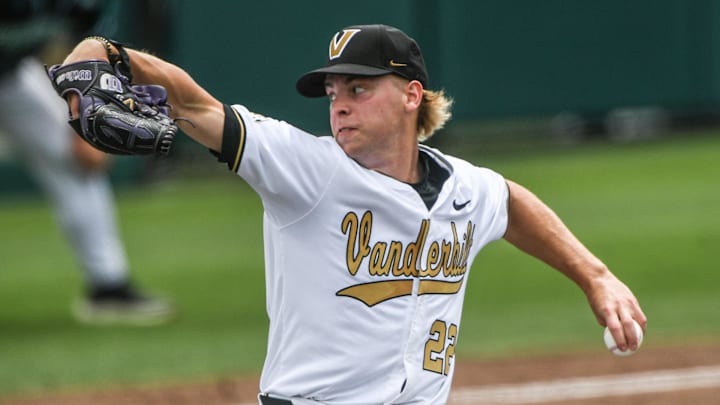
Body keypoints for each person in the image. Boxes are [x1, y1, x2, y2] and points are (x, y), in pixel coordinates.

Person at [57, 24, 646, 404]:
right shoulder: (303, 168)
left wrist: (595, 276)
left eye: (358, 89)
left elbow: (511, 201)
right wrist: (97, 55)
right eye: (334, 91)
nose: (339, 104)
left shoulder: (462, 186)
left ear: (412, 95)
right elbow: (189, 101)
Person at [0, 0, 174, 325]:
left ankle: (108, 287)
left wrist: (85, 115)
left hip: (10, 79)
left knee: (79, 164)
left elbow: (90, 52)